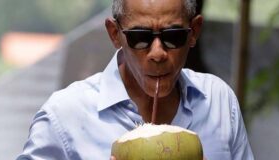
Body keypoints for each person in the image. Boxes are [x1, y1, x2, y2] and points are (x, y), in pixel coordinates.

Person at [17, 0, 254, 159]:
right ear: (114, 34)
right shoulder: (65, 115)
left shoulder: (218, 102)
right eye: (140, 37)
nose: (158, 53)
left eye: (174, 36)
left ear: (194, 32)